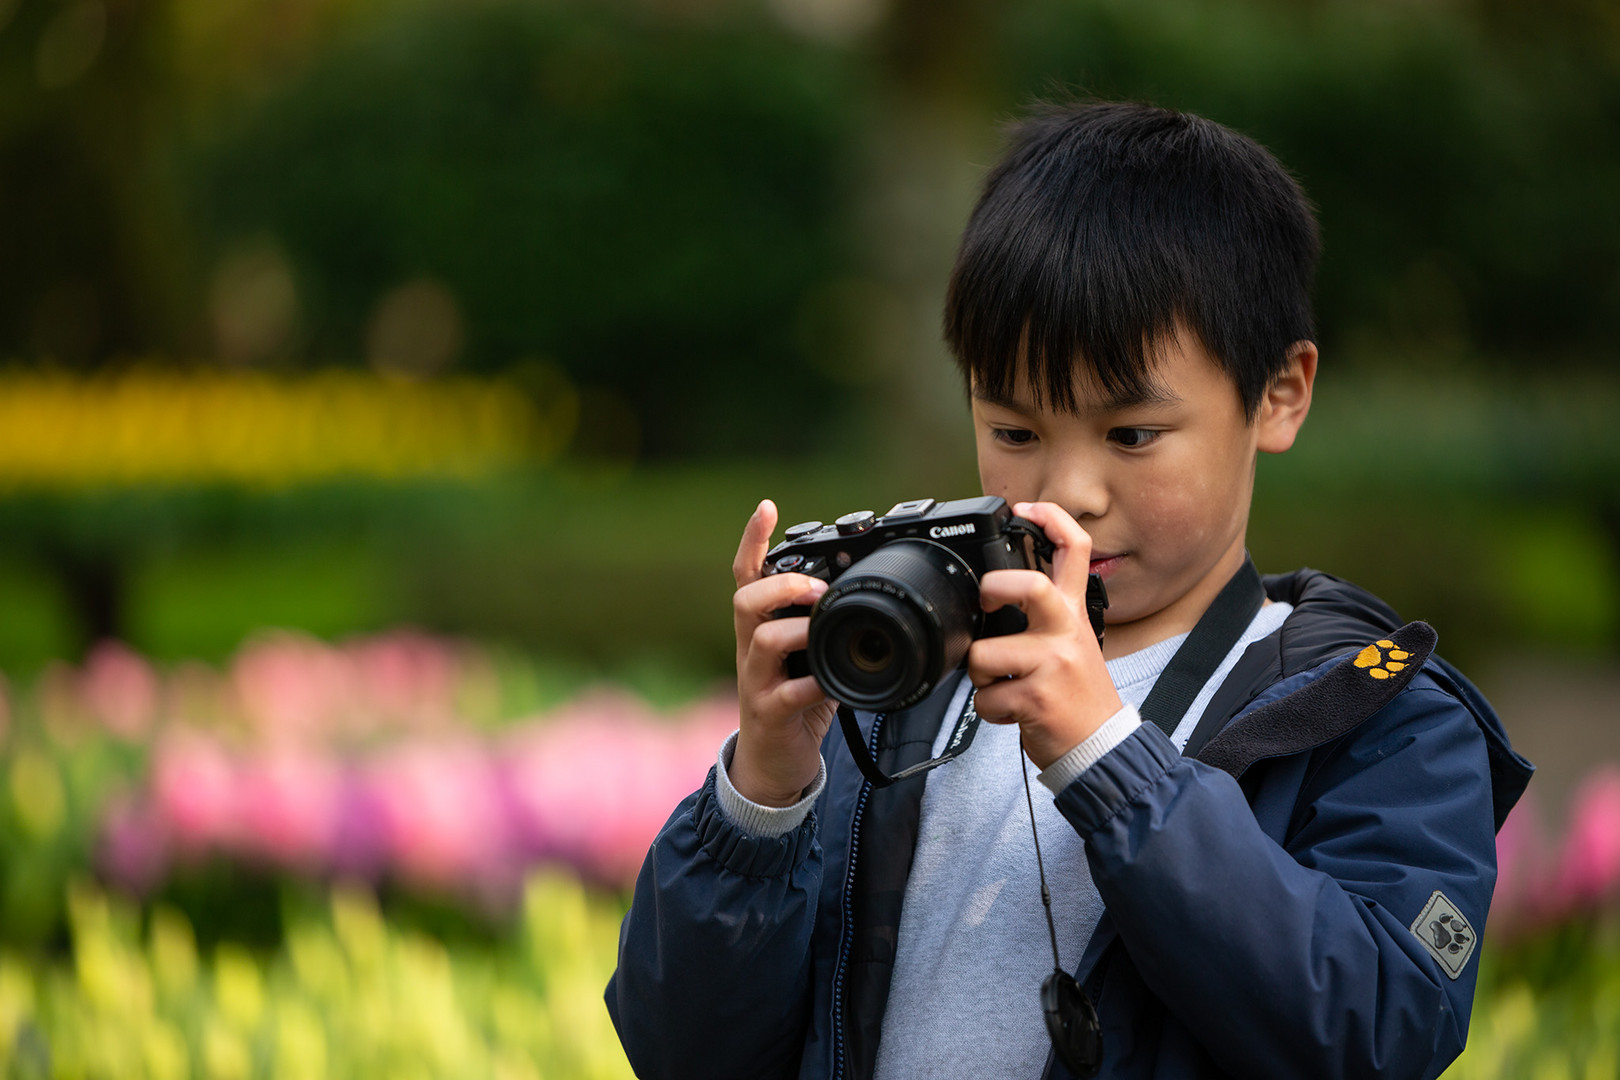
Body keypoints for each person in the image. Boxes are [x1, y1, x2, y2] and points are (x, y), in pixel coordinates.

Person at [605, 100, 1533, 1079]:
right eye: (1014, 433)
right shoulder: (898, 684)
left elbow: (1382, 1032)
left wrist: (1107, 757)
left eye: (1132, 435)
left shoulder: (1381, 724)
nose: (1066, 494)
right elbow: (683, 1052)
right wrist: (765, 793)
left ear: (1280, 394)